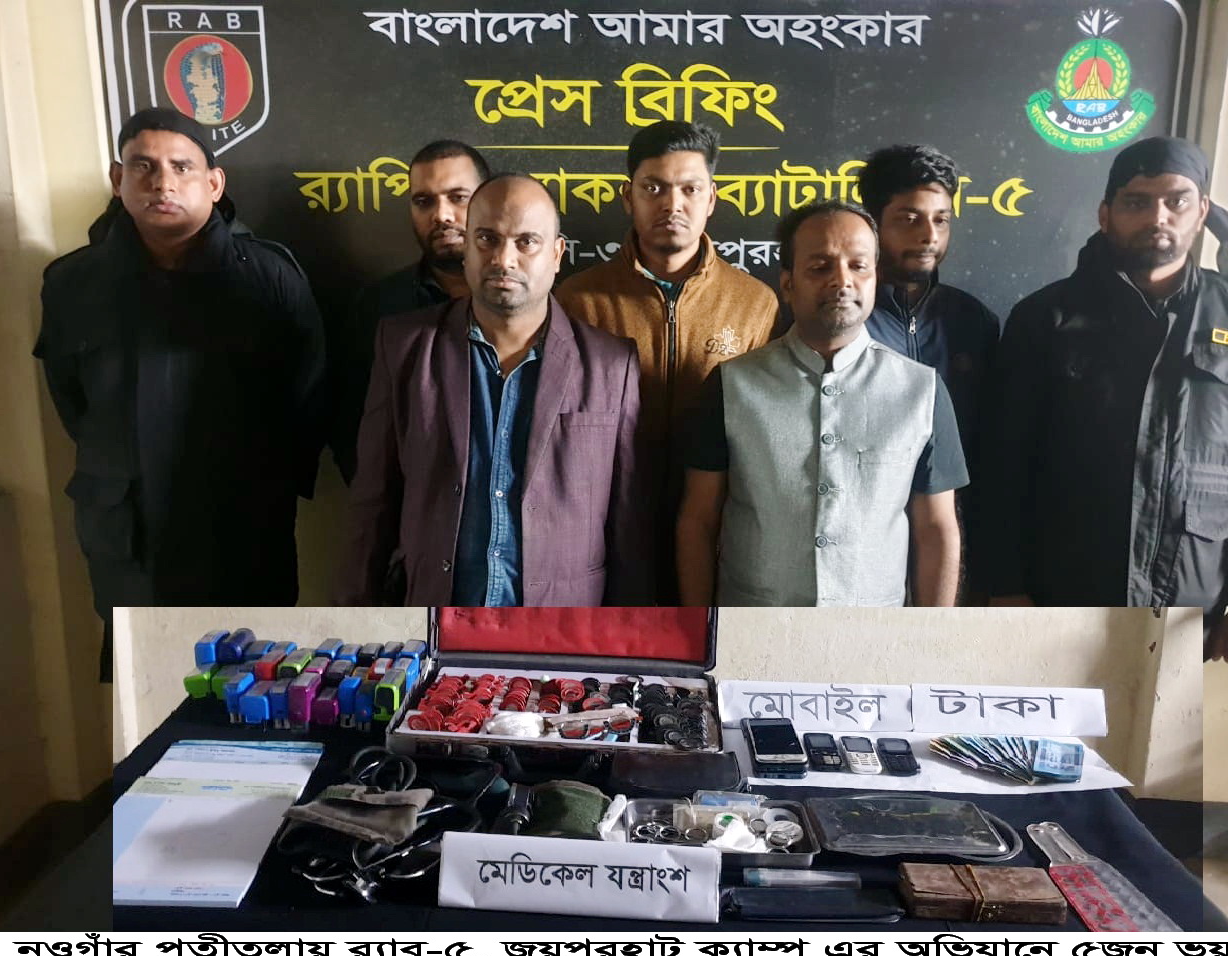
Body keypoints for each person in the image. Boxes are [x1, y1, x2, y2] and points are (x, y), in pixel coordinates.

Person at [34, 107, 324, 676]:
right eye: (143, 166)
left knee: (256, 692)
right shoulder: (72, 283)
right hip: (129, 530)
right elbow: (73, 405)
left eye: (181, 167)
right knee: (149, 689)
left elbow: (307, 394)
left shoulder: (268, 276)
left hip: (241, 525)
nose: (162, 183)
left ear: (214, 183)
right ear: (117, 179)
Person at [983, 136, 1228, 663]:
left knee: (1162, 722)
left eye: (1176, 201)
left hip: (1191, 608)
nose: (1157, 216)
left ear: (1202, 211)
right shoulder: (1045, 318)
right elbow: (1003, 467)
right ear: (1106, 214)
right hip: (1059, 599)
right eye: (1137, 202)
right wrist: (1005, 586)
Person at [337, 174, 650, 606]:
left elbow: (629, 526)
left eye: (527, 242)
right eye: (487, 239)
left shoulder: (611, 365)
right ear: (466, 247)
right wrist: (354, 614)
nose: (504, 259)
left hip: (563, 621)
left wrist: (628, 633)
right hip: (438, 614)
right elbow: (373, 504)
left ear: (557, 254)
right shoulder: (405, 347)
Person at [677, 201, 967, 606]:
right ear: (788, 283)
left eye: (858, 266)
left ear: (875, 276)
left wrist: (932, 634)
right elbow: (698, 521)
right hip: (753, 622)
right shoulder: (732, 384)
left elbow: (936, 528)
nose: (842, 280)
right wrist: (699, 626)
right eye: (820, 267)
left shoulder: (922, 391)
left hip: (875, 629)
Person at [556, 121, 779, 601]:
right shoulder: (577, 300)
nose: (672, 204)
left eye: (689, 189)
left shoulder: (755, 303)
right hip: (607, 523)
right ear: (628, 196)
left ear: (711, 199)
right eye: (653, 188)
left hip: (719, 523)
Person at [859, 145, 999, 592]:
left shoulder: (974, 321)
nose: (929, 235)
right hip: (863, 543)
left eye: (941, 220)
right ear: (872, 222)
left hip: (956, 541)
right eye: (909, 219)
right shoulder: (844, 319)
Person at [332, 140, 491, 480]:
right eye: (424, 201)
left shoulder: (528, 301)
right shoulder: (380, 307)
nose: (441, 215)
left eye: (458, 197)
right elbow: (352, 426)